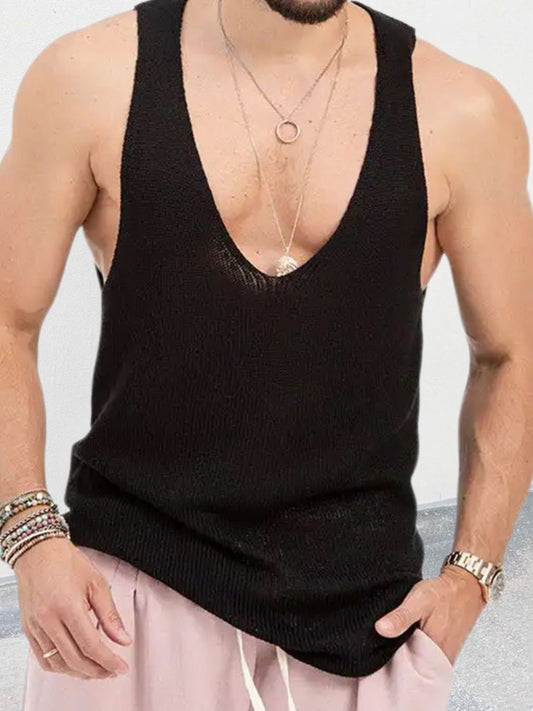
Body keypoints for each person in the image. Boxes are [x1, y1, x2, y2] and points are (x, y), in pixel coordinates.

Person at [0, 0, 531, 709]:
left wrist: (471, 577)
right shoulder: (88, 78)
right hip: (121, 610)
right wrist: (29, 538)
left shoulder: (463, 111)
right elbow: (6, 320)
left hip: (362, 624)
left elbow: (511, 354)